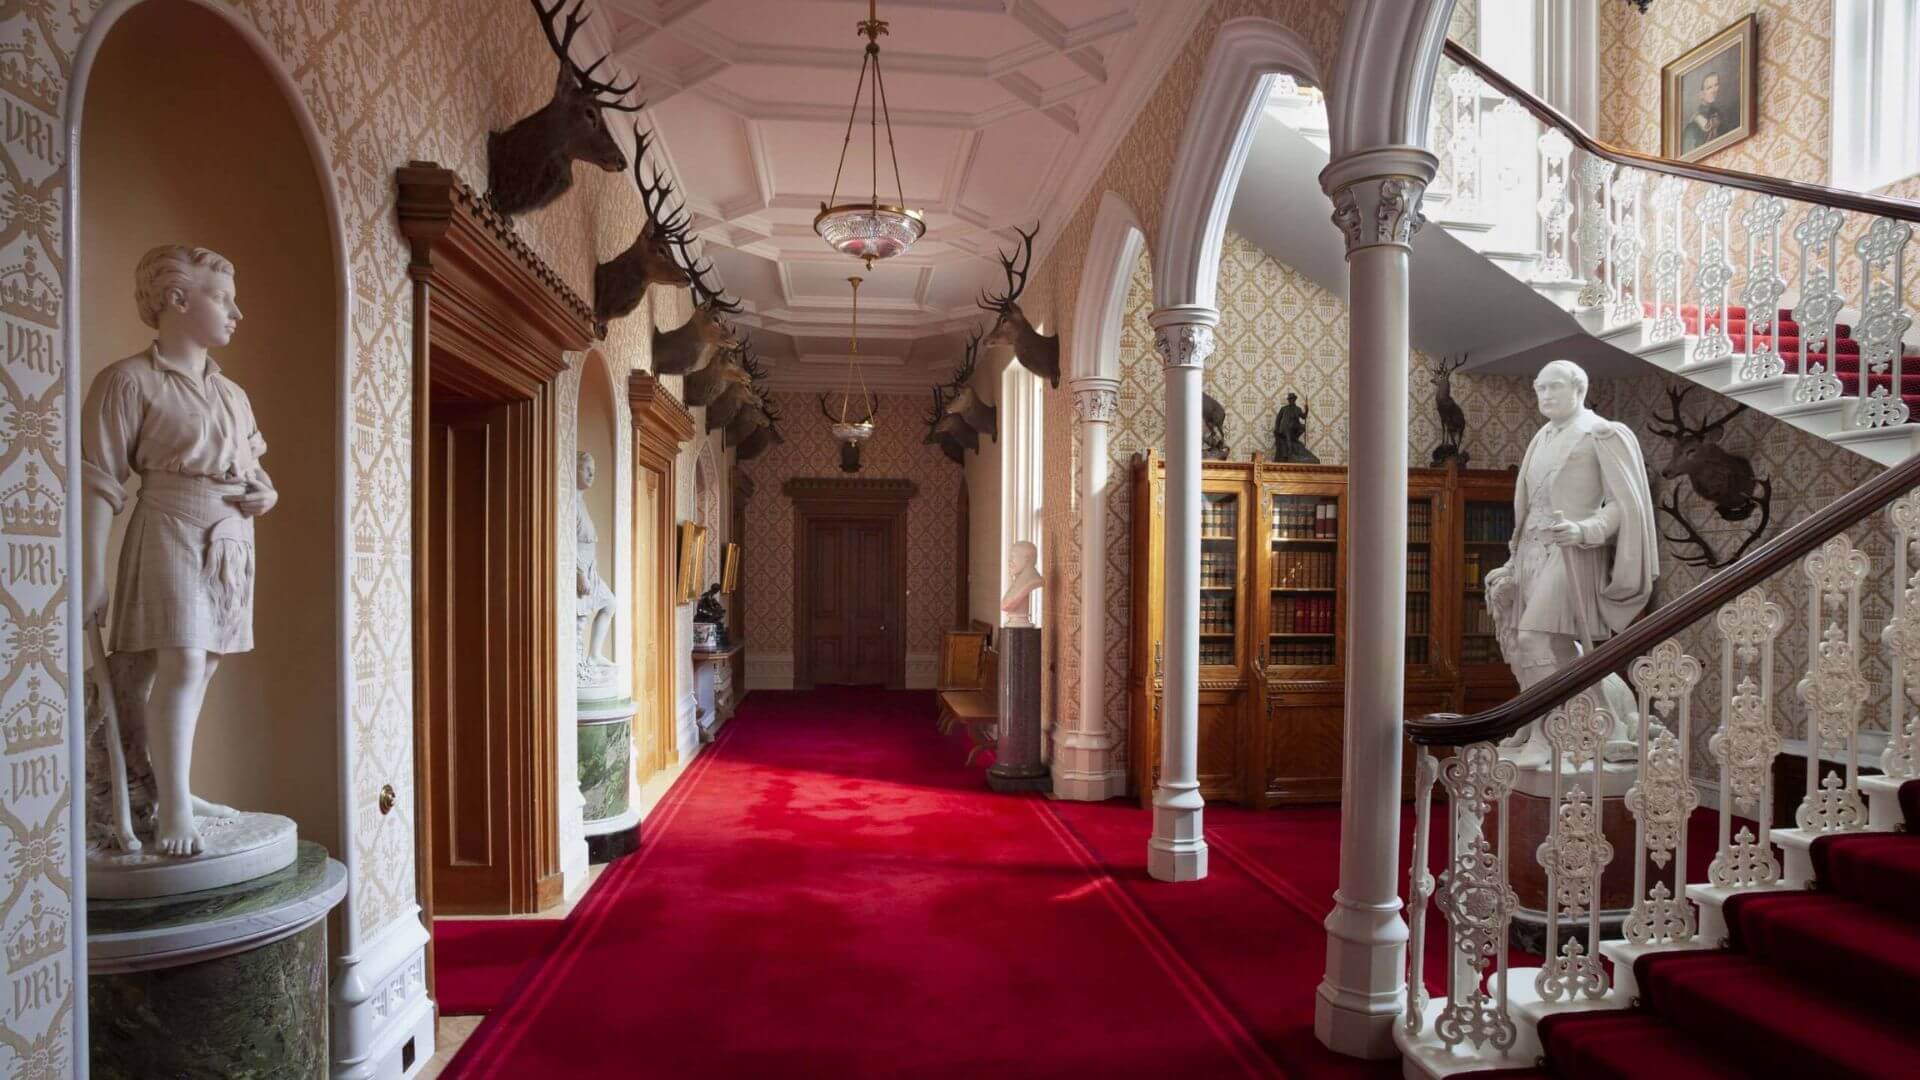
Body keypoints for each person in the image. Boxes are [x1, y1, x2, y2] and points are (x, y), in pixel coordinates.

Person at [83, 245, 272, 856]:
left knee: (205, 664)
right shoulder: (127, 381)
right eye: (223, 297)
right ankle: (170, 808)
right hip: (169, 522)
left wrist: (263, 496)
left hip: (231, 540)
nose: (236, 312)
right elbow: (99, 481)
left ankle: (175, 793)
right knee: (184, 662)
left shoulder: (233, 395)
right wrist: (91, 574)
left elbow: (258, 472)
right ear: (177, 299)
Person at [1485, 360, 1658, 766]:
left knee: (1533, 639)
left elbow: (1623, 506)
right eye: (1539, 388)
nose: (1545, 396)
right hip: (1530, 551)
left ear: (1579, 389)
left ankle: (1547, 738)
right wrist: (1513, 559)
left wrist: (1586, 531)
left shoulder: (1604, 433)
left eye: (1554, 388)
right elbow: (1528, 509)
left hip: (1572, 551)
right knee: (1552, 646)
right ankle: (1593, 722)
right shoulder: (1539, 438)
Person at [575, 451, 616, 678]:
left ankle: (593, 656)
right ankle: (579, 667)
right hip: (581, 570)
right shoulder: (571, 502)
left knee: (610, 604)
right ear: (575, 469)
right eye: (586, 469)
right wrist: (580, 575)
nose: (592, 474)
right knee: (579, 622)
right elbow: (569, 542)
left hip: (591, 569)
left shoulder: (581, 502)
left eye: (594, 470)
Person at [1682, 70, 1728, 155]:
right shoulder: (1692, 128)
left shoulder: (1721, 116)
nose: (1714, 90)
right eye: (1709, 88)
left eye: (1716, 85)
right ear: (1701, 94)